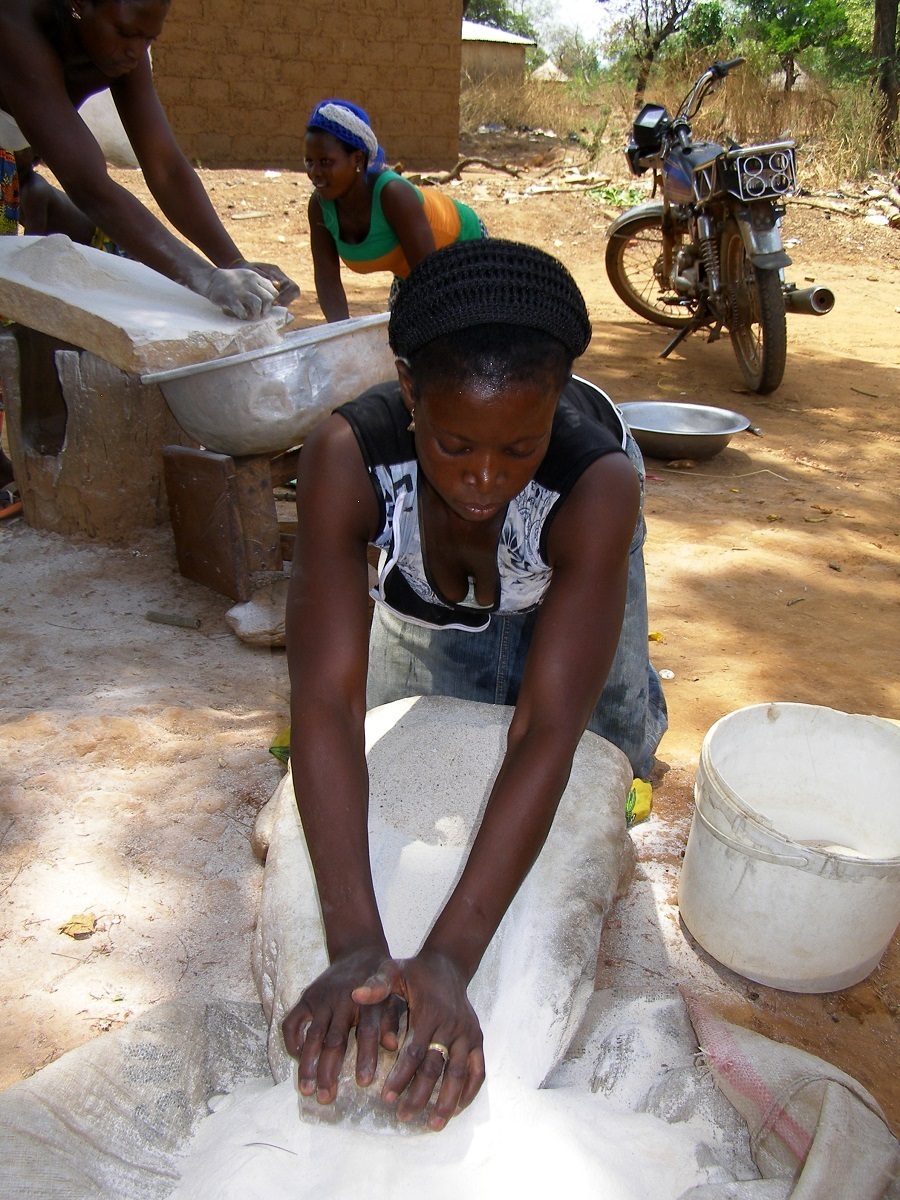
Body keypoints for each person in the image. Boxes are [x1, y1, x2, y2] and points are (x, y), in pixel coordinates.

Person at [281, 239, 667, 1132]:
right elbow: (326, 704)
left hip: (571, 553)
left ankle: (631, 711)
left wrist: (451, 958)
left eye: (517, 446)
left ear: (557, 409)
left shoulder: (590, 485)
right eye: (454, 444)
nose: (484, 480)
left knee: (609, 744)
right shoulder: (350, 460)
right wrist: (358, 951)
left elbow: (544, 735)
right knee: (430, 719)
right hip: (436, 582)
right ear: (410, 393)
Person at [0, 0, 299, 319]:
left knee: (121, 270)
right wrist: (208, 279)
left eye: (148, 39)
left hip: (15, 166)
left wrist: (234, 264)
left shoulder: (122, 48)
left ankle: (36, 193)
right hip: (12, 170)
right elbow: (87, 184)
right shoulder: (13, 26)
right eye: (127, 32)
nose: (136, 50)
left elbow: (166, 168)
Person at [304, 99, 485, 322]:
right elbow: (326, 277)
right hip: (413, 272)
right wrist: (342, 337)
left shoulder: (393, 195)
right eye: (309, 161)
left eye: (325, 161)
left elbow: (429, 280)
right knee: (399, 343)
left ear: (357, 159)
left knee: (456, 341)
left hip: (466, 251)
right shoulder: (320, 206)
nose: (314, 172)